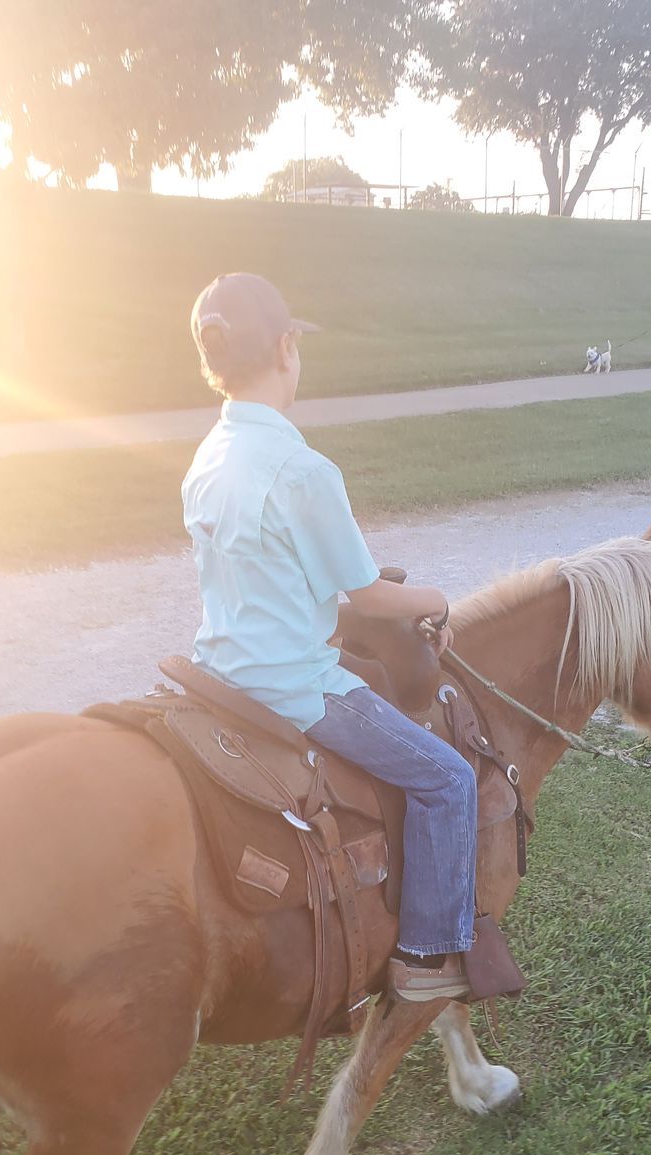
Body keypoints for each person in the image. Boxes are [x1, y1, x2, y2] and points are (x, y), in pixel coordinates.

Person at [181, 272, 483, 1002]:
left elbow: (275, 578)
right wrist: (440, 598)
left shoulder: (208, 454)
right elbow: (369, 594)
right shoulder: (301, 469)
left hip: (219, 671)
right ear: (287, 348)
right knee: (450, 779)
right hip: (293, 687)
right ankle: (426, 958)